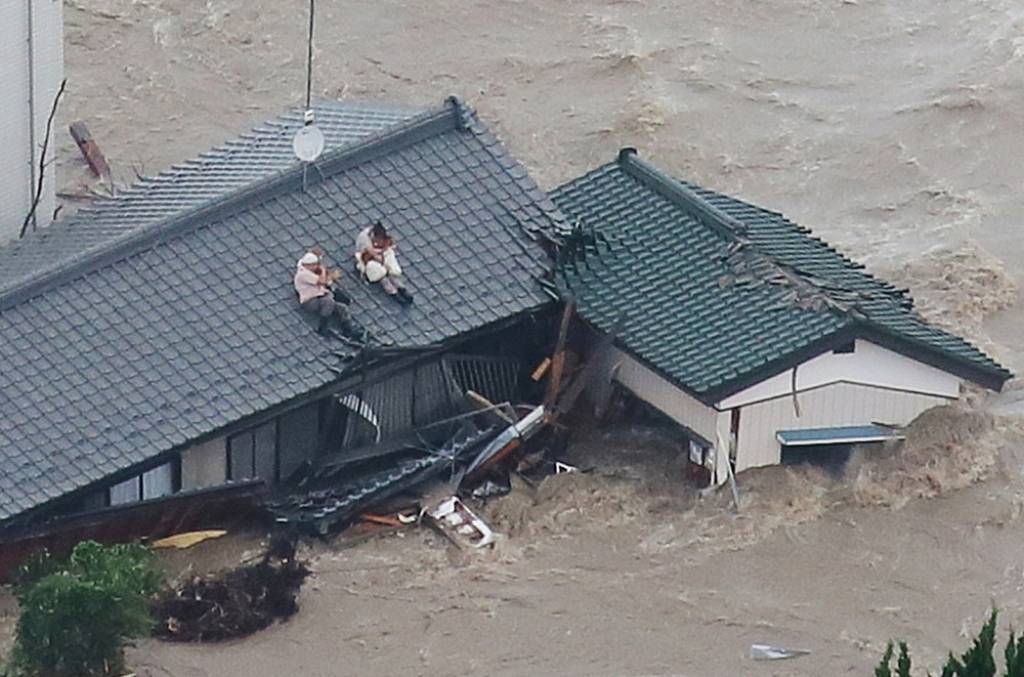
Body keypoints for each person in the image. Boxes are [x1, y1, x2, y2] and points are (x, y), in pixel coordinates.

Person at [294, 251, 358, 337]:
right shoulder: (303, 274)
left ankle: (347, 330)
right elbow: (322, 281)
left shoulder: (311, 273)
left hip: (320, 298)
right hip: (310, 301)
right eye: (314, 265)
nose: (316, 267)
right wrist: (323, 270)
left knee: (342, 308)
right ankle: (323, 327)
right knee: (327, 302)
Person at [354, 220, 412, 304]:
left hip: (378, 254)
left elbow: (390, 244)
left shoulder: (382, 235)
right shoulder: (365, 239)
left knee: (391, 269)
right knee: (381, 274)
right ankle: (393, 293)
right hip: (365, 258)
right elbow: (369, 253)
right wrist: (381, 261)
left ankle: (401, 288)